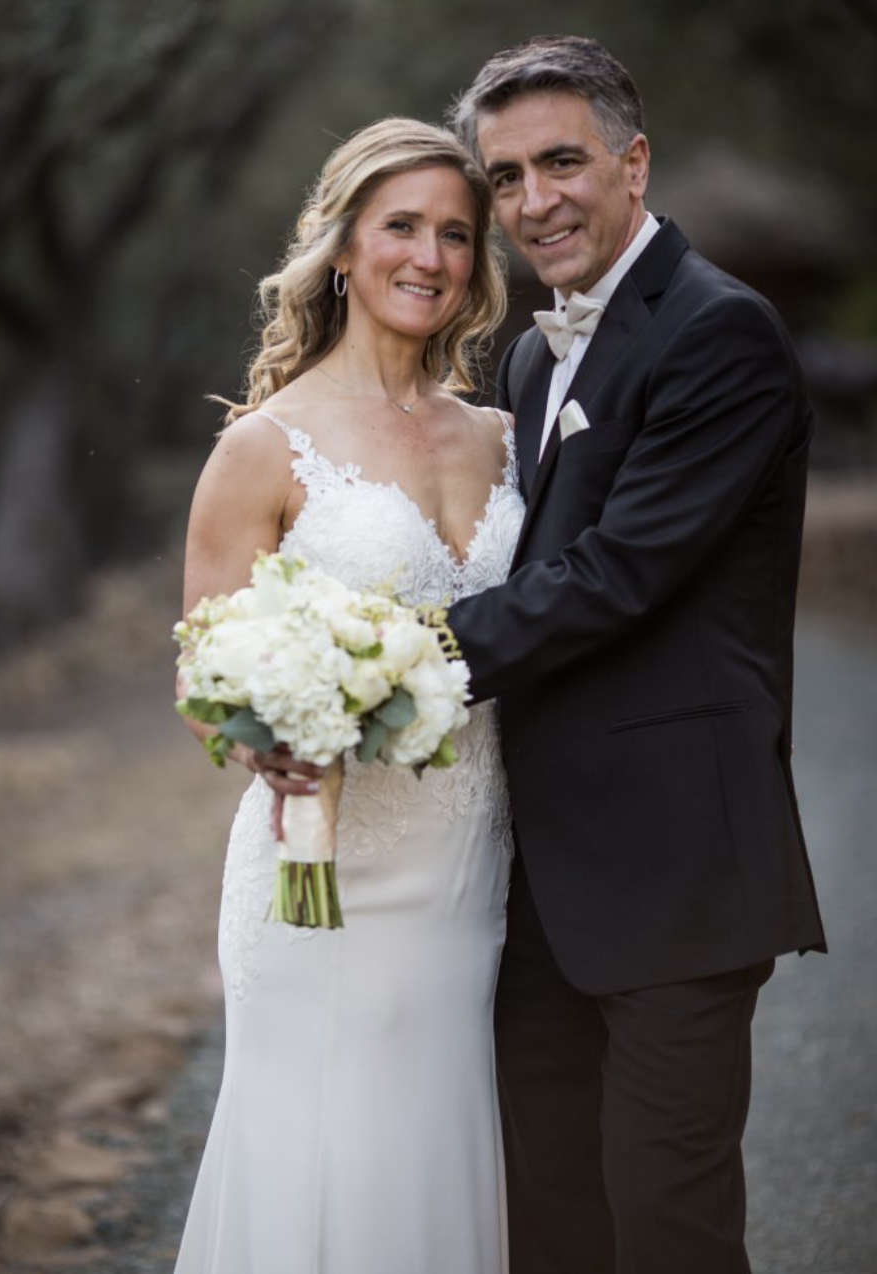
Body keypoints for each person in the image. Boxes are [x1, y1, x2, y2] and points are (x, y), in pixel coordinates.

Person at [445, 34, 827, 1274]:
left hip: (677, 872)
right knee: (552, 1219)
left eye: (562, 162)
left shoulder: (721, 332)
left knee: (668, 1227)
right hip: (542, 882)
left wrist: (392, 660)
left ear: (633, 160)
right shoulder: (528, 351)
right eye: (505, 178)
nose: (534, 200)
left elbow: (616, 575)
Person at [173, 117, 523, 1274]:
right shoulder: (264, 446)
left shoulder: (500, 435)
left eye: (456, 235)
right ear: (342, 248)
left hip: (472, 859)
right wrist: (273, 734)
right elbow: (209, 666)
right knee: (328, 1143)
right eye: (402, 227)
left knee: (434, 1138)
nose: (430, 256)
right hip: (324, 861)